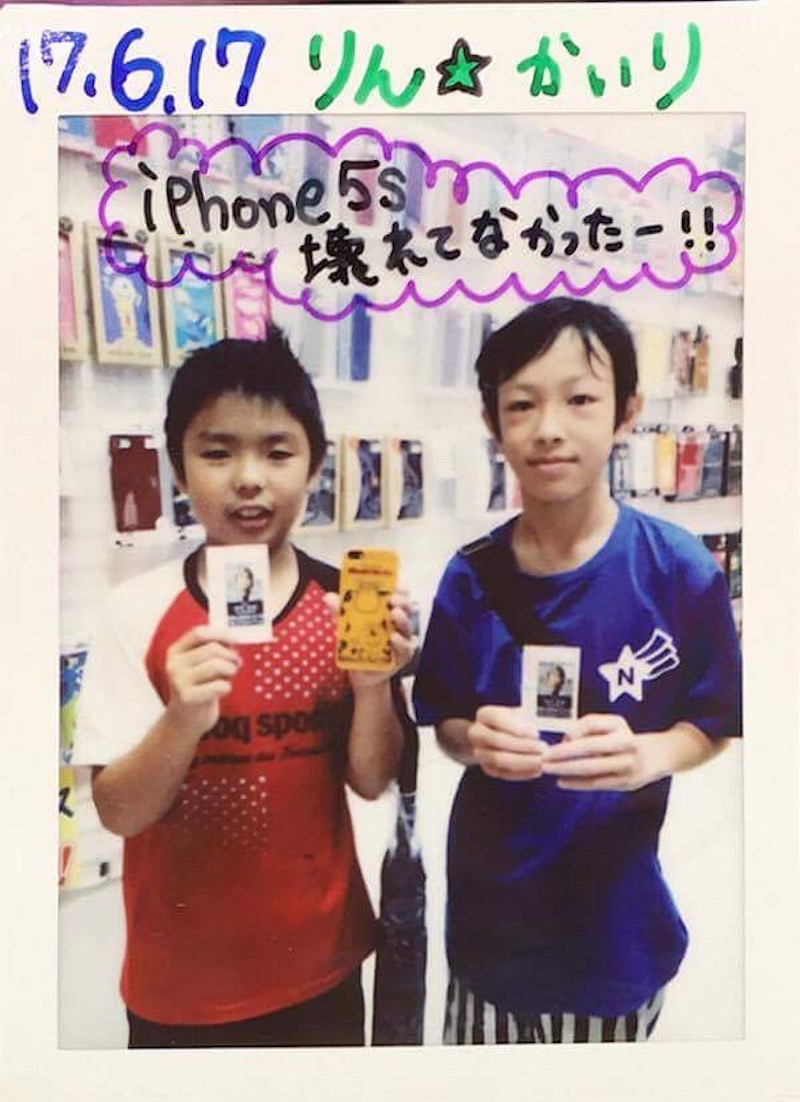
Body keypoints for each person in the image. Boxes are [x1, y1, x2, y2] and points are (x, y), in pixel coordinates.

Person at [413, 298, 741, 1045]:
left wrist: (652, 753)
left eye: (581, 400)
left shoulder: (679, 570)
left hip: (616, 924)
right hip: (493, 922)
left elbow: (715, 719)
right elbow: (446, 720)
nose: (549, 428)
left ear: (627, 412)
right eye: (521, 404)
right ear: (492, 422)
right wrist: (474, 740)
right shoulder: (470, 577)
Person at [73, 332, 414, 1049]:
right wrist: (182, 718)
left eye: (278, 452)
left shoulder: (346, 601)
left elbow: (372, 779)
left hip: (323, 968)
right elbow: (119, 811)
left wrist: (375, 688)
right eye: (218, 452)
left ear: (315, 466)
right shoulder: (137, 612)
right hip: (181, 986)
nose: (249, 478)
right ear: (179, 468)